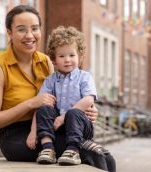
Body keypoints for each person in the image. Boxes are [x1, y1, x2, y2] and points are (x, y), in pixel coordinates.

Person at [0, 5, 115, 172]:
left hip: (50, 128)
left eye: (35, 29)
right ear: (9, 33)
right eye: (21, 30)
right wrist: (30, 104)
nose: (30, 35)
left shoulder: (46, 61)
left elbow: (62, 96)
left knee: (103, 155)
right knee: (94, 154)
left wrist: (87, 110)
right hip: (16, 137)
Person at [25, 26, 97, 165]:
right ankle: (47, 148)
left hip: (81, 126)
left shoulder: (84, 77)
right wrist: (33, 133)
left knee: (74, 113)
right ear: (53, 59)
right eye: (62, 56)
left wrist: (64, 117)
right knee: (44, 108)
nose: (67, 60)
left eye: (72, 55)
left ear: (80, 56)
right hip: (56, 126)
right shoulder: (50, 80)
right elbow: (40, 106)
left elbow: (89, 99)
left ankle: (73, 150)